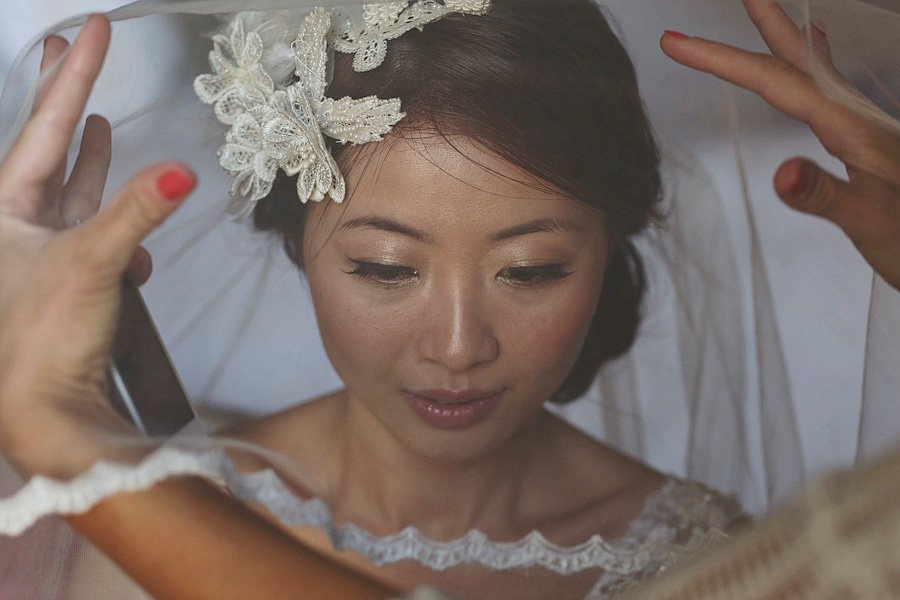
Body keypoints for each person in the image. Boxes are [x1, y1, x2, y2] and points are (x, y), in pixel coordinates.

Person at [0, 1, 897, 599]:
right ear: (296, 243)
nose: (461, 346)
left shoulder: (703, 559)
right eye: (388, 268)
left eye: (533, 270)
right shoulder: (148, 506)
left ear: (612, 245)